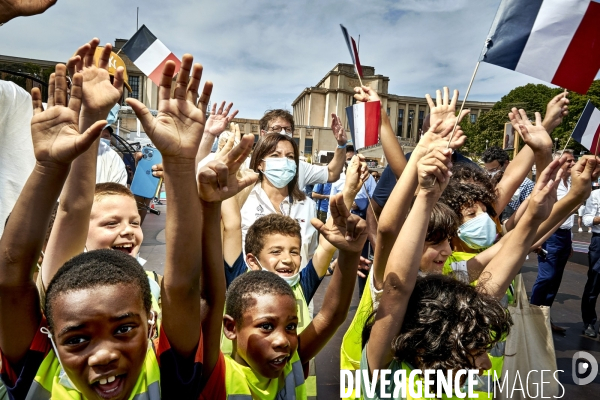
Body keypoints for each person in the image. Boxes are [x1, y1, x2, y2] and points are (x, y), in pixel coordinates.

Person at [360, 146, 575, 398]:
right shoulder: (388, 375)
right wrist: (426, 195)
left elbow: (506, 253)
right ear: (429, 347)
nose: (485, 364)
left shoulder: (455, 285)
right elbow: (396, 285)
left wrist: (553, 207)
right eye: (471, 350)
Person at [199, 190, 367, 398]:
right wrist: (211, 202)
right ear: (230, 327)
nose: (282, 340)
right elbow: (203, 294)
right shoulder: (216, 374)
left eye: (291, 327)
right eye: (266, 326)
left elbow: (332, 315)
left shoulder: (291, 360)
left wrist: (350, 254)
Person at [241, 133, 318, 268]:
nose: (284, 162)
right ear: (260, 164)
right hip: (251, 286)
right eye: (275, 156)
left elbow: (311, 256)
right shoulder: (243, 202)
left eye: (290, 157)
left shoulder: (308, 206)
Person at [530, 149, 576, 333]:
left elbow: (568, 217)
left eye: (573, 161)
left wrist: (570, 241)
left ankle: (545, 319)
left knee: (555, 279)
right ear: (558, 163)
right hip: (550, 235)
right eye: (568, 161)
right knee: (546, 277)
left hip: (564, 236)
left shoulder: (571, 184)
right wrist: (539, 239)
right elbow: (540, 211)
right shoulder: (551, 184)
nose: (572, 164)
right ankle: (531, 318)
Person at [482, 146, 535, 221]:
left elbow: (530, 211)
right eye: (487, 170)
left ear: (506, 163)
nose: (491, 174)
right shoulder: (486, 182)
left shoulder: (525, 184)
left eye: (494, 169)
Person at [581, 189, 600, 337]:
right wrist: (598, 219)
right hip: (599, 241)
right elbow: (587, 219)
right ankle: (589, 323)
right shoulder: (595, 195)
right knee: (594, 282)